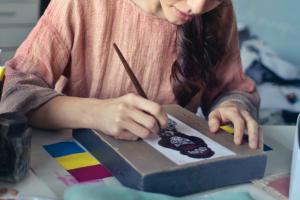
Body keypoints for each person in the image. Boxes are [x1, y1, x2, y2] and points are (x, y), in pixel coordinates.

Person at [0, 0, 262, 149]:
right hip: (79, 158)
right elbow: (14, 91)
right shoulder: (83, 4)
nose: (196, 6)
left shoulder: (217, 10)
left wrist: (232, 106)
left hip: (170, 168)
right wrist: (96, 113)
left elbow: (233, 88)